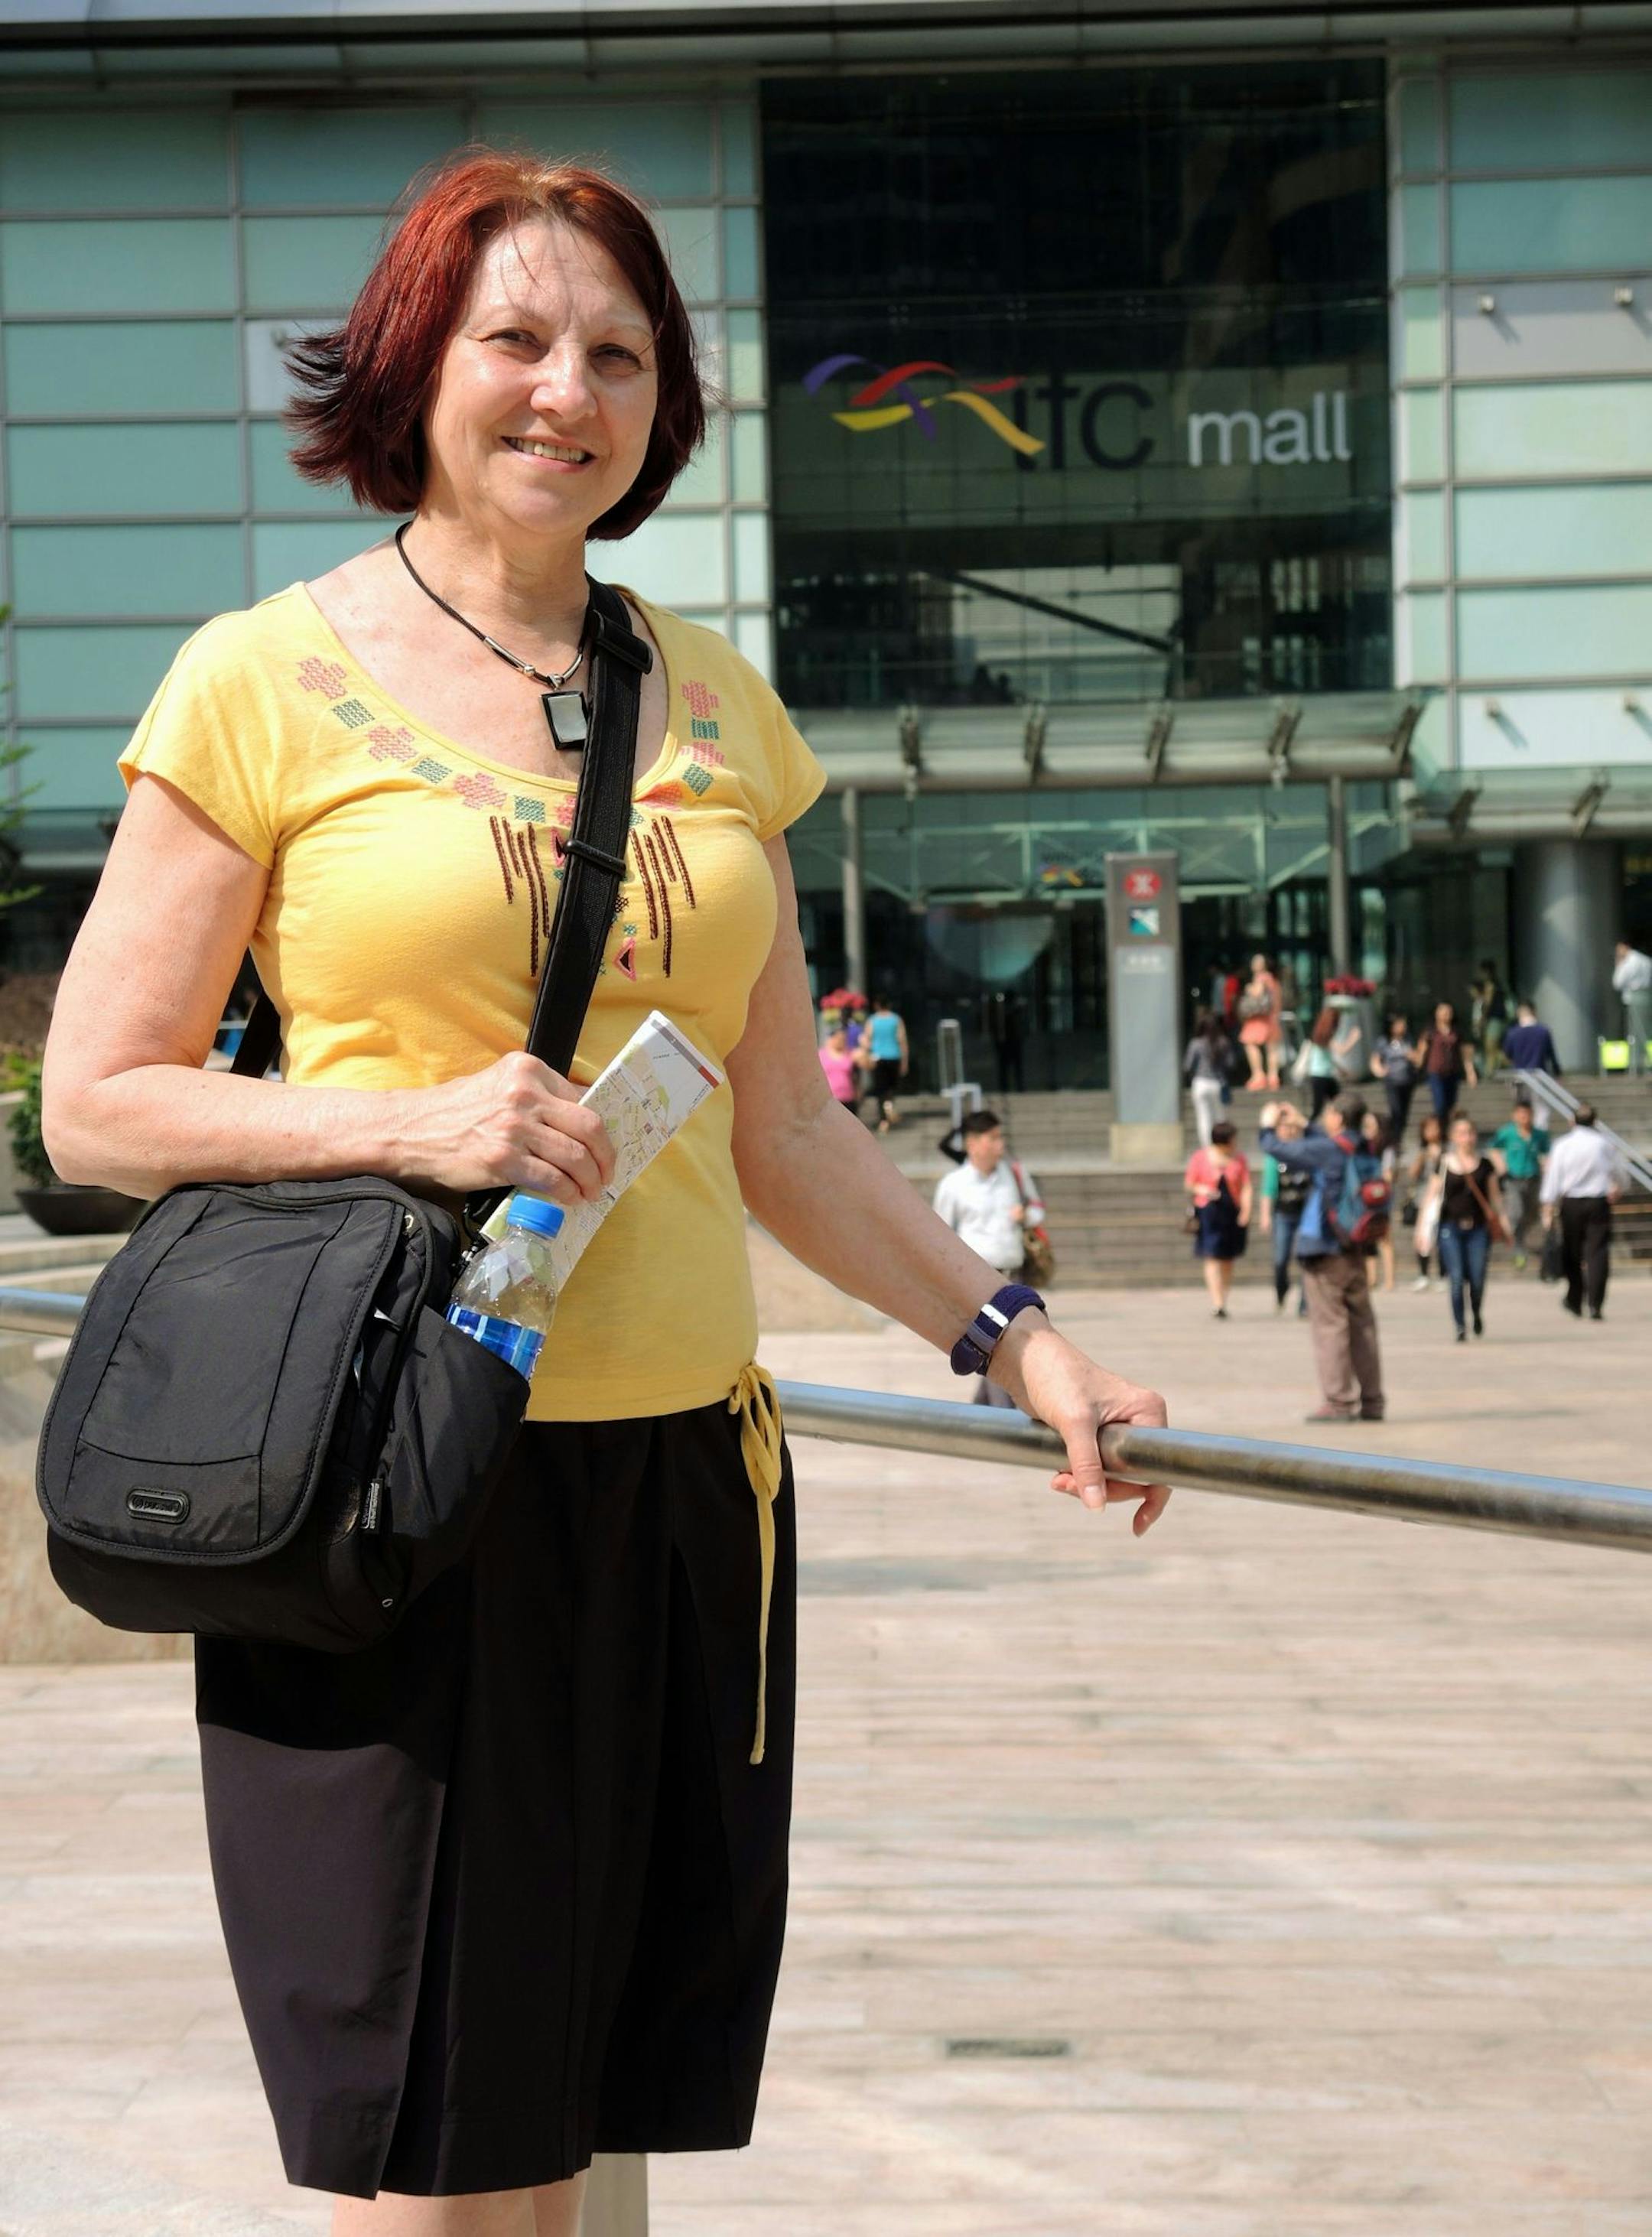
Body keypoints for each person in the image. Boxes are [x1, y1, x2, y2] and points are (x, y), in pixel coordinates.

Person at [37, 152, 1173, 2233]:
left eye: (621, 354)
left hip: (682, 1491)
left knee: (598, 2112)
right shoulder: (264, 677)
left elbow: (790, 1131)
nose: (570, 390)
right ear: (415, 366)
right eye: (520, 340)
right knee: (452, 2152)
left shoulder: (718, 696)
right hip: (402, 1483)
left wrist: (1017, 1338)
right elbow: (95, 1102)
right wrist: (409, 1120)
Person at [1258, 1094, 1385, 1423]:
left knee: (1330, 1326)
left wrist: (1267, 1124)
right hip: (1356, 1245)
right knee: (1363, 1326)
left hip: (1326, 1249)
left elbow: (1279, 1150)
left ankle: (1339, 1402)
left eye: (1329, 1114)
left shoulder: (1329, 1150)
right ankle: (1373, 1401)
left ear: (1339, 1119)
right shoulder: (1366, 1147)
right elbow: (1329, 1147)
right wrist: (1305, 1124)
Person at [932, 1109, 1048, 1403]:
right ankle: (1001, 1414)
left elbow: (1037, 1209)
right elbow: (940, 1233)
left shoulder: (1015, 1174)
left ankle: (983, 1411)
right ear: (972, 1144)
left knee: (1004, 1351)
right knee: (1000, 1351)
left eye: (1000, 1137)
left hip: (1015, 1278)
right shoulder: (954, 1185)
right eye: (992, 1138)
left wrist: (1026, 1216)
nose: (1000, 1145)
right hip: (980, 1283)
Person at [1422, 1112, 1507, 1342]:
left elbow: (1495, 1198)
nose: (1466, 1138)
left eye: (1469, 1133)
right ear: (1453, 1137)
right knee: (1457, 1278)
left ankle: (1477, 1312)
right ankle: (1460, 1325)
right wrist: (1422, 1230)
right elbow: (1430, 1196)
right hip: (1450, 1228)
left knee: (1477, 1278)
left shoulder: (1486, 1165)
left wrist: (1504, 1222)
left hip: (1478, 1229)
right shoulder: (1444, 1163)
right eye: (1461, 1134)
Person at [1540, 1103, 1628, 1320]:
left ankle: (1575, 1298)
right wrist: (1619, 1188)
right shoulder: (1604, 1144)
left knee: (1572, 1253)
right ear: (1595, 1122)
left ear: (1573, 1121)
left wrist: (1548, 1205)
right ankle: (1595, 1304)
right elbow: (1621, 1172)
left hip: (1571, 1204)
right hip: (1598, 1202)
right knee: (1597, 1253)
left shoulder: (1563, 1145)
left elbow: (1553, 1177)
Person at [1183, 1117, 1251, 1319]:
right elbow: (1189, 1183)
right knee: (1211, 1256)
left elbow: (1246, 1186)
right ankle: (1217, 1302)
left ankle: (1224, 1296)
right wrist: (1201, 1188)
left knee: (1228, 1259)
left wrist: (1246, 1210)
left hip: (1231, 1212)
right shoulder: (1200, 1157)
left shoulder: (1239, 1159)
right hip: (1209, 1213)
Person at [1257, 1100, 1309, 1315]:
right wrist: (1265, 1215)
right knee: (1280, 1259)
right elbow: (1268, 1188)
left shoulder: (1308, 1152)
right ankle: (1281, 1289)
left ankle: (1305, 1305)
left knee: (1307, 1259)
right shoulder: (1274, 1156)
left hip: (1307, 1214)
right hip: (1283, 1214)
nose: (1288, 1131)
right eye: (1283, 1127)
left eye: (1291, 1127)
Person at [1489, 1097, 1550, 1270]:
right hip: (1513, 1179)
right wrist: (1501, 1165)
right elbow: (1493, 1148)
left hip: (1533, 1178)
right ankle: (1518, 1249)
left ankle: (1521, 1235)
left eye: (1528, 1114)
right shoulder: (1507, 1133)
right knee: (1516, 1212)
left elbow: (1547, 1153)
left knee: (1531, 1213)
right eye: (1521, 1114)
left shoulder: (1539, 1134)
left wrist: (1547, 1166)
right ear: (1515, 1115)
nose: (1524, 1117)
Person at [1416, 1000, 1476, 1128]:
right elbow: (1421, 1052)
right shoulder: (1430, 1031)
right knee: (1440, 1105)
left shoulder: (1457, 1032)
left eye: (1449, 1011)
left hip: (1452, 1073)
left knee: (1451, 1105)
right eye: (1443, 1011)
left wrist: (1470, 1072)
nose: (1446, 1014)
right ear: (1436, 1014)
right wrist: (1416, 1066)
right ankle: (1441, 1130)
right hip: (1435, 1072)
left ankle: (1448, 1131)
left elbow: (1465, 1053)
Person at [1294, 1003, 1359, 1120]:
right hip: (1320, 1076)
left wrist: (1342, 1070)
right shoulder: (1324, 1037)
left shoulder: (1319, 1036)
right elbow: (1342, 1051)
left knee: (1336, 1103)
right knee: (1321, 1107)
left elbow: (1328, 1058)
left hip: (1325, 1075)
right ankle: (1308, 1129)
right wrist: (1353, 1038)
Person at [1404, 1110, 1446, 1290]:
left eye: (1435, 1128)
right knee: (1423, 1237)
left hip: (1445, 1198)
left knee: (1443, 1237)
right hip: (1424, 1198)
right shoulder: (1419, 1150)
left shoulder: (1448, 1149)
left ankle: (1444, 1274)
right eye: (1428, 1128)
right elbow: (1411, 1174)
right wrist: (1422, 1158)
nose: (1432, 1131)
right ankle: (1423, 1274)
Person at [1183, 1006, 1234, 1148]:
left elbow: (1188, 1065)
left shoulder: (1196, 1044)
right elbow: (1231, 1063)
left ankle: (1207, 1148)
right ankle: (1222, 1144)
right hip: (1218, 1083)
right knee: (1220, 1118)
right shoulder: (1223, 1042)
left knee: (1204, 1118)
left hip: (1200, 1082)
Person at [1360, 1110, 1398, 1292]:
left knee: (1384, 1239)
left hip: (1381, 1198)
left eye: (1370, 1125)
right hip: (1364, 1198)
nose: (1366, 1129)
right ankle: (1371, 1278)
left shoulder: (1386, 1149)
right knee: (1366, 1239)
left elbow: (1388, 1175)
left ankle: (1390, 1280)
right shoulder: (1361, 1148)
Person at [1370, 1011, 1418, 1144]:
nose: (1403, 1026)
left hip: (1407, 1080)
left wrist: (1412, 1056)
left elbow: (1417, 1057)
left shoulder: (1408, 1040)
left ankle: (1398, 1139)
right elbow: (1375, 1060)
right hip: (1392, 1081)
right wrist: (1380, 1071)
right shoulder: (1383, 1041)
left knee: (1403, 1113)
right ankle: (1393, 1139)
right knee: (1395, 1111)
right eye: (1399, 1024)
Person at [1236, 951, 1283, 1088]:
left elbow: (1257, 993)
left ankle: (1258, 1075)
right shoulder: (1274, 979)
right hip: (1272, 1018)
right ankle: (1273, 1076)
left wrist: (1248, 989)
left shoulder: (1261, 978)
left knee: (1250, 1044)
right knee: (1272, 1049)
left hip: (1259, 1019)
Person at [864, 993, 909, 1132]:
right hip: (894, 1056)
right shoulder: (896, 1020)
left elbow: (867, 1039)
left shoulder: (872, 1020)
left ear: (877, 1005)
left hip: (878, 1058)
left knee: (880, 1089)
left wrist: (867, 1055)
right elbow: (902, 1041)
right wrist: (905, 1061)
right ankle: (889, 1107)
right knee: (891, 1088)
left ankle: (883, 1119)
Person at [1612, 939, 1652, 1075]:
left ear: (1625, 947)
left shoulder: (1629, 962)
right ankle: (1646, 1064)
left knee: (1636, 1033)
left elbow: (1617, 982)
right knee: (1647, 1032)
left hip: (1634, 997)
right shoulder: (1646, 960)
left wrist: (1619, 963)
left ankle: (1637, 1065)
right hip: (1647, 996)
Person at [1501, 998, 1562, 1079]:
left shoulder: (1512, 1034)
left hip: (1520, 1078)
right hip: (1540, 1078)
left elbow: (1507, 1056)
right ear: (1534, 1011)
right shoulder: (1543, 1031)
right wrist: (1558, 1073)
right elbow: (1551, 1057)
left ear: (1518, 1013)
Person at [818, 1018, 864, 1114]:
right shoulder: (821, 1054)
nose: (841, 1041)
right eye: (838, 1038)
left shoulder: (850, 1054)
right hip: (829, 1100)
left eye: (843, 1039)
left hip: (849, 1098)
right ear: (832, 1038)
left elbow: (857, 1075)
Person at [1470, 960, 1507, 1076]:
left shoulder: (1491, 984)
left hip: (1494, 1018)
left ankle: (1490, 1073)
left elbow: (1488, 1003)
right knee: (1492, 1048)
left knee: (1491, 1047)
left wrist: (1482, 1019)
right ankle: (1491, 1071)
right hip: (1497, 1018)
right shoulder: (1497, 984)